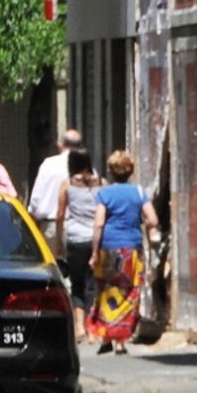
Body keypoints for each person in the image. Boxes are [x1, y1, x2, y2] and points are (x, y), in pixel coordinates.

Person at [87, 150, 160, 356]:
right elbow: (152, 219)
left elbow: (99, 224)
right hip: (131, 249)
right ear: (130, 171)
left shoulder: (104, 194)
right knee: (129, 293)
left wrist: (94, 253)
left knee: (106, 291)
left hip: (108, 248)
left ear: (110, 171)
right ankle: (121, 342)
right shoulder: (138, 192)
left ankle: (106, 337)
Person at [55, 147, 105, 342]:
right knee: (93, 283)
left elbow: (60, 215)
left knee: (77, 284)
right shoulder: (101, 183)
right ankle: (93, 328)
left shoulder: (67, 185)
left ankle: (79, 326)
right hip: (96, 239)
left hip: (75, 239)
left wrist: (59, 241)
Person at [28, 129, 84, 256]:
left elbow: (35, 200)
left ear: (60, 145)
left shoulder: (49, 164)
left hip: (50, 227)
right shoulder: (86, 167)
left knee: (52, 271)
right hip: (80, 228)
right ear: (80, 146)